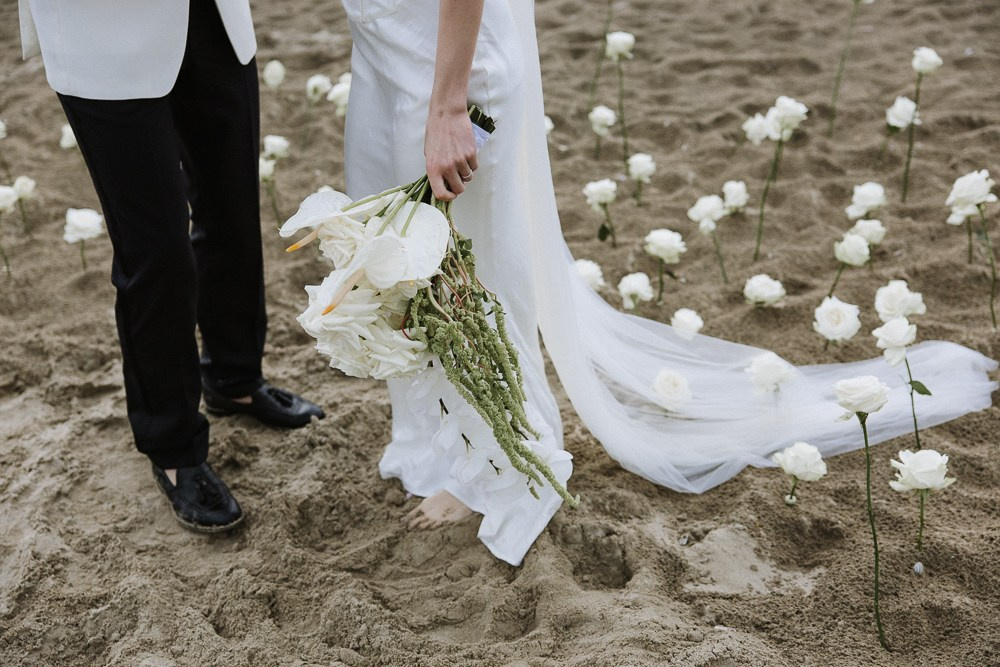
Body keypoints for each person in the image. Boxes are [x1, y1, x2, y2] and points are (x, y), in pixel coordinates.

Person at [340, 0, 997, 565]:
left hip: (448, 68)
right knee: (403, 264)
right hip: (384, 44)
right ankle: (436, 441)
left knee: (472, 275)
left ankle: (497, 467)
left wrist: (449, 105)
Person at [18, 0, 324, 532]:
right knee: (156, 250)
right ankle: (172, 444)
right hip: (102, 33)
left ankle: (233, 376)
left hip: (213, 16)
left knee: (232, 206)